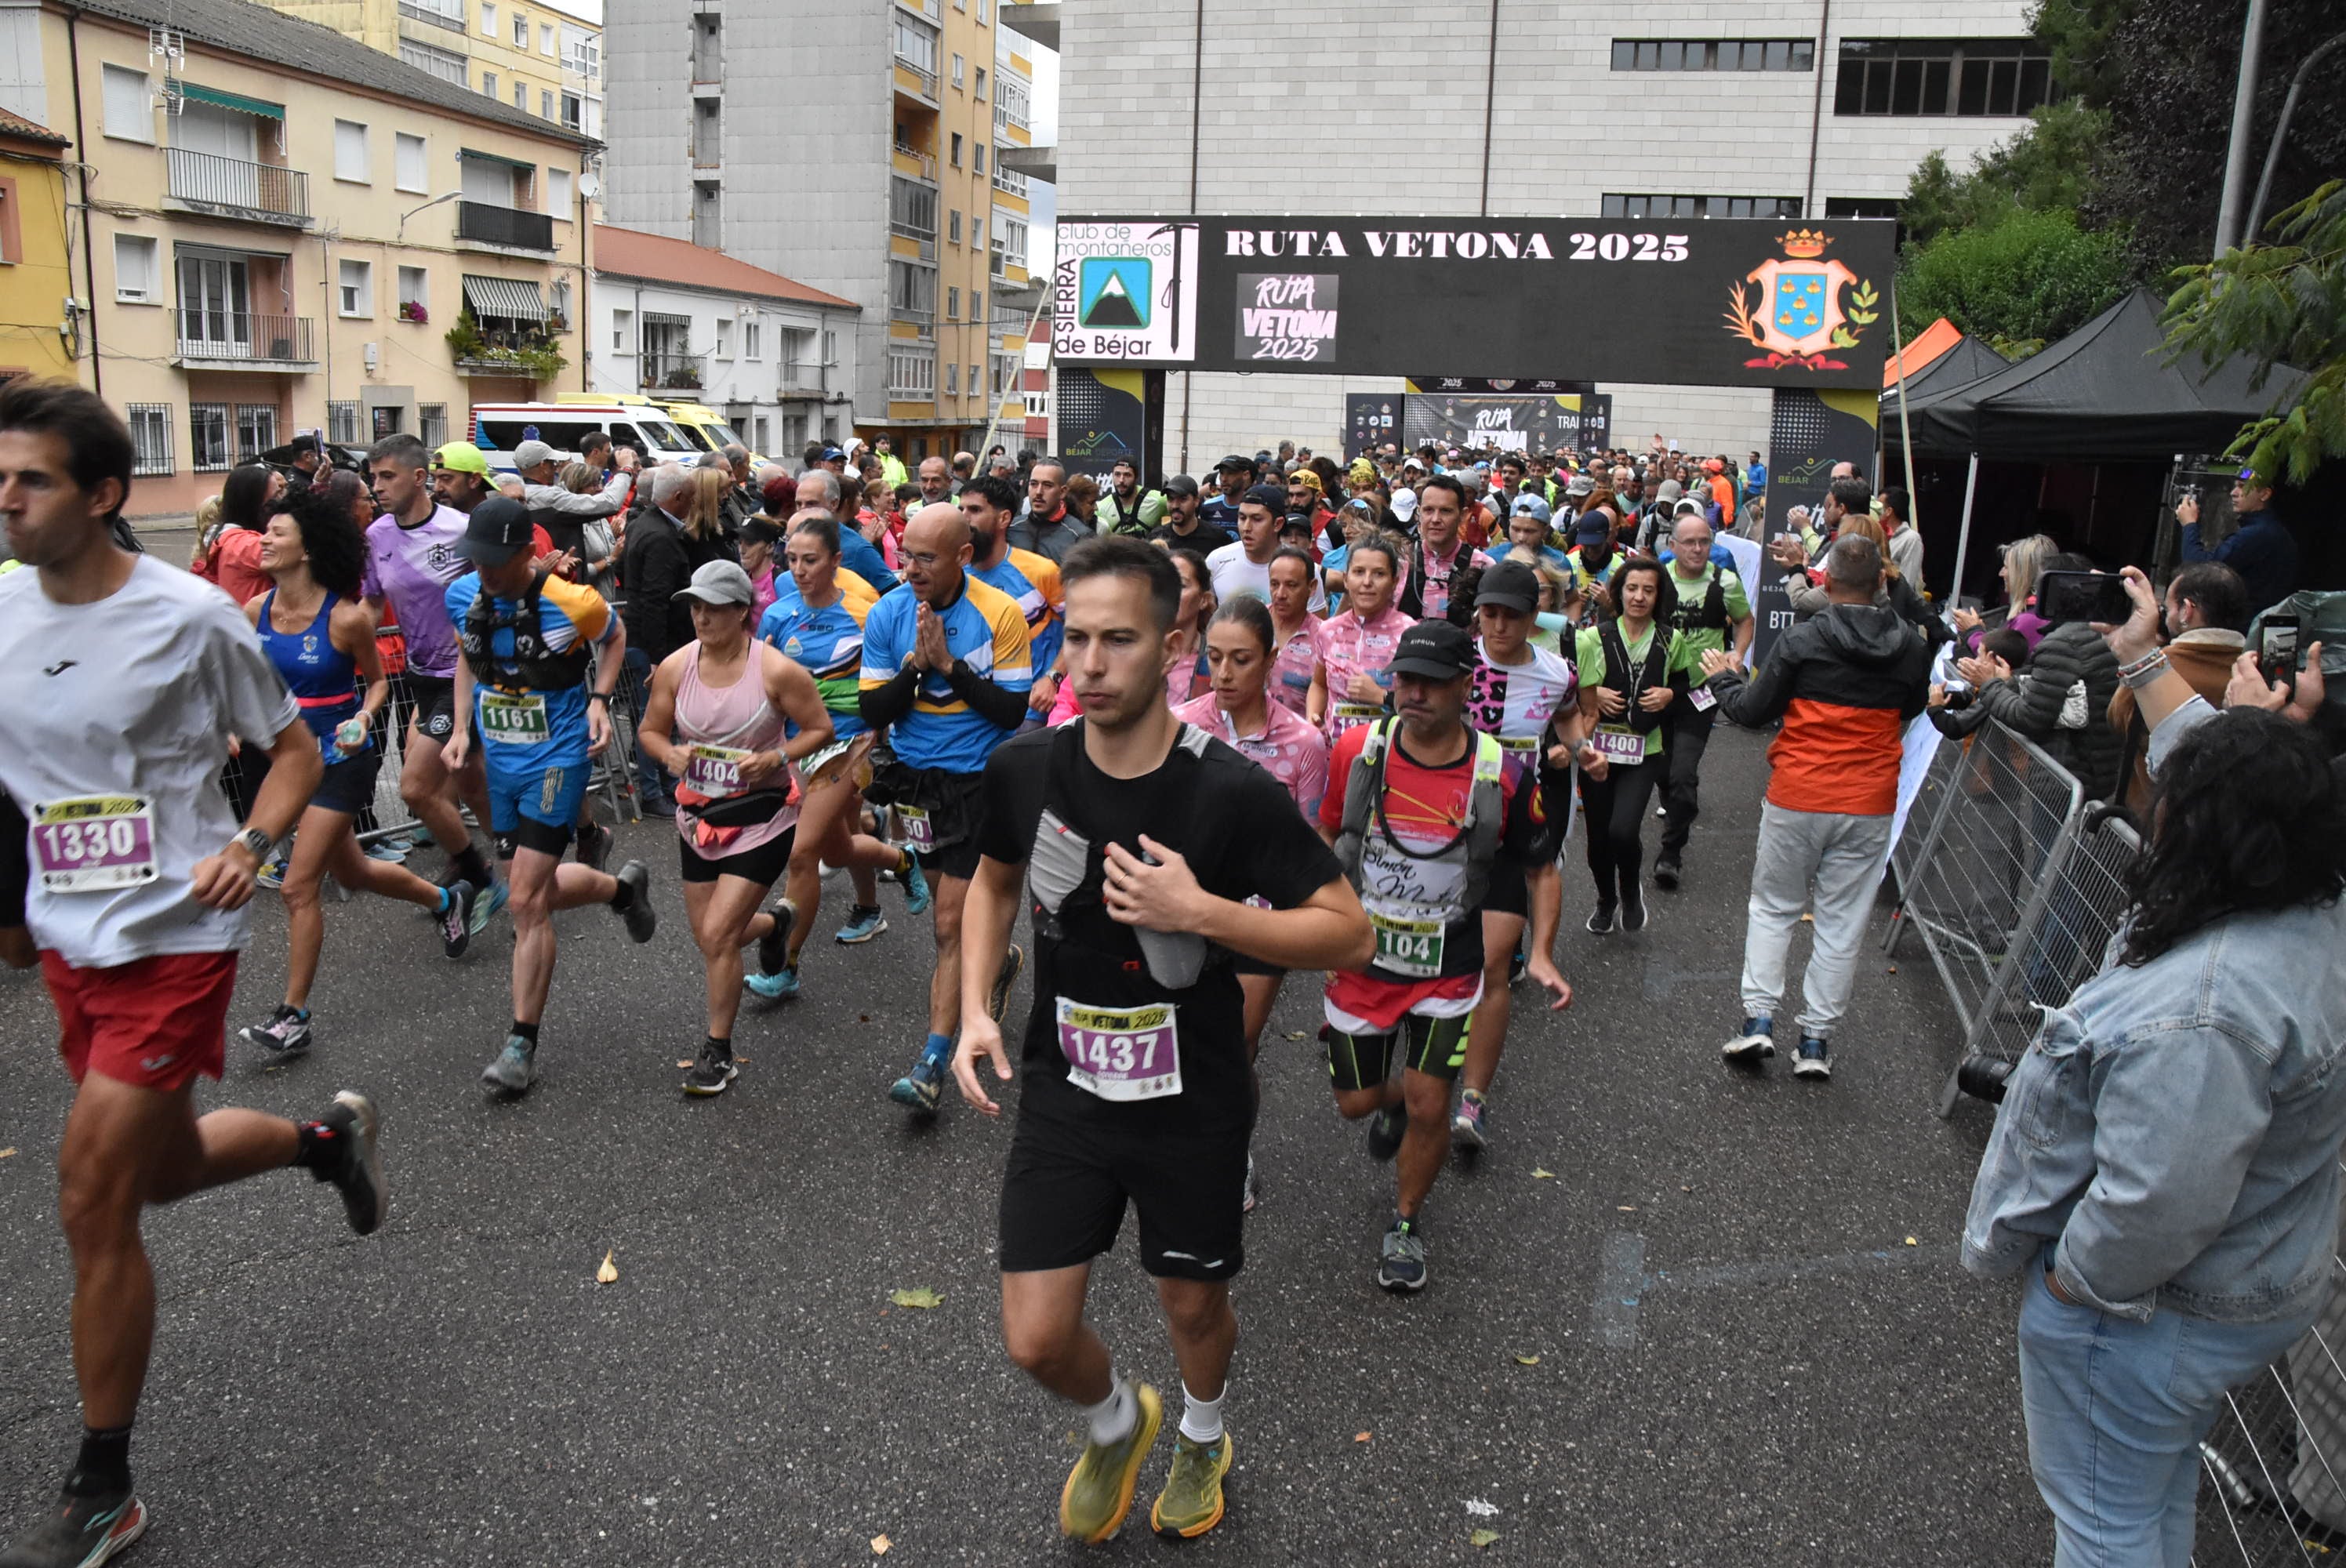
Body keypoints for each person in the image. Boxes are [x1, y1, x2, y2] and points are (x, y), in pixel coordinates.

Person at [0, 379, 385, 1568]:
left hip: (176, 934)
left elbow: (293, 752)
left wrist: (251, 846)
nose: (5, 497)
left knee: (91, 1192)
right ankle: (323, 1148)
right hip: (69, 936)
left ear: (104, 494)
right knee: (157, 1172)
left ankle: (102, 1485)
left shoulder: (190, 616)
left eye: (33, 479)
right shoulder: (2, 610)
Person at [950, 535, 1368, 1544]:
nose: (1088, 665)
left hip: (1192, 1095)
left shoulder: (1226, 790)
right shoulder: (1024, 766)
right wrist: (973, 1005)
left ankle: (1201, 1431)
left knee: (1190, 1306)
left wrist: (1204, 910)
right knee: (1035, 1337)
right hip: (1068, 1086)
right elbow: (994, 880)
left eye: (1119, 641)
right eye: (1076, 640)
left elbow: (1346, 927)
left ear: (1173, 641)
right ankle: (1115, 1420)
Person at [1963, 564, 2346, 1566]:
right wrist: (2141, 651)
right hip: (2238, 1289)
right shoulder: (2307, 909)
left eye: (2172, 792)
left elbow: (2156, 1200)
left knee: (2103, 1528)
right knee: (2140, 1503)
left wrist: (2073, 1287)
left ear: (2204, 827)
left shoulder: (2205, 1010)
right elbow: (2214, 759)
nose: (2155, 795)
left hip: (2140, 1313)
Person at [1317, 619, 1562, 1290]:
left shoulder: (1502, 775)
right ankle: (1388, 1099)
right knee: (1355, 1104)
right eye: (1405, 678)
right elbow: (1328, 831)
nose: (1413, 692)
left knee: (1432, 1104)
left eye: (1430, 681)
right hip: (1364, 962)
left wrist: (1539, 952)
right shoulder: (1358, 751)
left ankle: (1405, 1224)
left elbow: (1539, 870)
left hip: (1448, 968)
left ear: (1465, 685)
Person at [238, 486, 480, 1057]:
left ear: (309, 548)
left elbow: (376, 681)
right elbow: (248, 683)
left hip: (340, 758)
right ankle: (448, 901)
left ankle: (292, 1017)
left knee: (298, 886)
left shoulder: (345, 619)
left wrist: (365, 718)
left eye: (277, 533)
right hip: (281, 763)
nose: (264, 540)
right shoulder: (254, 613)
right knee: (352, 872)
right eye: (265, 531)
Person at [442, 496, 656, 1096]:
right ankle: (620, 888)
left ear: (525, 553)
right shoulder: (463, 598)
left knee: (527, 904)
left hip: (556, 759)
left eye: (493, 561)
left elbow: (613, 639)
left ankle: (520, 1045)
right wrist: (460, 729)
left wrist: (598, 700)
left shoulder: (573, 600)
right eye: (474, 560)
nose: (481, 571)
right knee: (524, 894)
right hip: (501, 763)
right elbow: (467, 656)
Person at [1702, 535, 1931, 1081]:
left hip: (1799, 794)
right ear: (1882, 582)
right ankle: (1815, 1041)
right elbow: (1916, 705)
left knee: (1774, 908)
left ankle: (1758, 1021)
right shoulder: (1911, 646)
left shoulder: (1803, 639)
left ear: (1826, 583)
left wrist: (1722, 680)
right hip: (1871, 800)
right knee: (1841, 923)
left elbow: (1753, 712)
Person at [860, 503, 1034, 1112]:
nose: (911, 568)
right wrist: (916, 666)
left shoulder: (1001, 612)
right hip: (914, 782)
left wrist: (950, 668)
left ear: (963, 556)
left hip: (979, 780)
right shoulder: (888, 611)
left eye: (926, 558)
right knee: (947, 914)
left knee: (946, 924)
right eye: (906, 553)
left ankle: (933, 1060)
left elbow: (1012, 712)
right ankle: (995, 962)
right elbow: (875, 711)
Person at [635, 561, 834, 1092]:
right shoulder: (677, 667)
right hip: (698, 820)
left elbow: (819, 728)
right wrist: (669, 754)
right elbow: (650, 731)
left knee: (720, 935)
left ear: (742, 611)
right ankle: (775, 925)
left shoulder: (775, 671)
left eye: (714, 608)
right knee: (710, 938)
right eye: (695, 607)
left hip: (762, 818)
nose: (701, 617)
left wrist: (776, 757)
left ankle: (717, 1050)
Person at [1451, 561, 1585, 1152]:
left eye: (1511, 615)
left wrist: (1583, 751)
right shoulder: (1454, 660)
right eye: (1490, 612)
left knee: (1493, 964)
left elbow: (1567, 720)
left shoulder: (1558, 673)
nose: (1498, 625)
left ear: (1535, 619)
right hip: (1442, 824)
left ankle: (1473, 1102)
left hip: (1512, 821)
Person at [361, 434, 506, 910]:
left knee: (417, 785)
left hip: (468, 674)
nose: (377, 486)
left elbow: (502, 589)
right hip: (420, 674)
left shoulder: (462, 529)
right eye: (374, 477)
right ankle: (515, 859)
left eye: (388, 476)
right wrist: (341, 646)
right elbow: (372, 603)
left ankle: (479, 874)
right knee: (466, 780)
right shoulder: (377, 536)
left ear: (420, 478)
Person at [759, 514, 913, 961]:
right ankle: (885, 882)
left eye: (810, 560)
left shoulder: (866, 613)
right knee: (841, 842)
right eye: (791, 560)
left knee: (803, 850)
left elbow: (887, 683)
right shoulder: (776, 613)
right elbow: (765, 686)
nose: (799, 570)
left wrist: (883, 737)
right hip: (798, 742)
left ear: (837, 561)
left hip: (852, 741)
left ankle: (784, 963)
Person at [1574, 557, 1684, 934]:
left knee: (1623, 830)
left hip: (1644, 750)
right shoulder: (1593, 637)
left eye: (1648, 590)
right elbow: (1572, 687)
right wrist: (1595, 692)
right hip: (1598, 749)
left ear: (1659, 596)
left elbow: (1687, 686)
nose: (1639, 597)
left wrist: (1670, 693)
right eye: (1632, 588)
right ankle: (1606, 899)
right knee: (1597, 839)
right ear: (1618, 592)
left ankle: (1630, 889)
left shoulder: (1671, 639)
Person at [1960, 554, 2124, 801]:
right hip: (2099, 770)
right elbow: (2053, 695)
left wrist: (1989, 685)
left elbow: (2030, 718)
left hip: (2063, 778)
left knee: (2045, 839)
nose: (2035, 596)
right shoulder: (2108, 634)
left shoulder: (2061, 643)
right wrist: (2009, 683)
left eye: (2040, 588)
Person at [1652, 513, 1755, 891]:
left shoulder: (1724, 581)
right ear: (1673, 546)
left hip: (1700, 692)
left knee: (1682, 775)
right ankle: (1676, 801)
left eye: (1704, 542)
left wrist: (1737, 654)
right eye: (1690, 542)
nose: (1697, 549)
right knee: (1663, 773)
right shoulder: (1659, 583)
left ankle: (1671, 855)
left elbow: (1745, 620)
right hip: (1659, 690)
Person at [2106, 562, 2250, 812]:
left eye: (2167, 608)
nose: (2164, 616)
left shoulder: (2158, 668)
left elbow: (2118, 718)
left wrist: (2140, 657)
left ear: (2186, 610)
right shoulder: (2253, 673)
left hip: (2153, 811)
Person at [618, 466, 700, 818]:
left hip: (650, 640)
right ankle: (654, 791)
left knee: (656, 717)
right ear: (679, 497)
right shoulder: (660, 536)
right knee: (654, 718)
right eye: (691, 497)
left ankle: (665, 785)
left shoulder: (644, 524)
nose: (694, 503)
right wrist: (657, 657)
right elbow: (655, 599)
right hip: (656, 644)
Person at [961, 471, 1066, 719]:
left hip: (1030, 711)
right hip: (971, 711)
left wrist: (1053, 678)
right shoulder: (953, 573)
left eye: (975, 510)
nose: (964, 519)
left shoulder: (1042, 571)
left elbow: (1081, 628)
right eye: (961, 509)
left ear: (1004, 518)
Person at [1308, 532, 1415, 744]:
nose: (1367, 582)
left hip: (1388, 752)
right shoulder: (1328, 630)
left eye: (1378, 574)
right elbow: (1319, 684)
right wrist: (1312, 716)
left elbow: (1421, 703)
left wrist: (1381, 696)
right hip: (1335, 753)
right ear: (1346, 580)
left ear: (1394, 581)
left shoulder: (1409, 633)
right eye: (1359, 572)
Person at [2177, 466, 2297, 615]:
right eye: (2235, 487)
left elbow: (2196, 569)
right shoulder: (2269, 530)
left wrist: (2189, 524)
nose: (2233, 493)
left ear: (2265, 494)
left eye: (2242, 487)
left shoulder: (2257, 534)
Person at [1207, 482, 1328, 615]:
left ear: (1278, 524)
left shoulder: (1303, 568)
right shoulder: (1217, 560)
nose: (1246, 527)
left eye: (1257, 519)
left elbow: (1317, 631)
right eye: (1242, 518)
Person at [513, 437, 631, 562]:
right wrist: (625, 470)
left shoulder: (514, 493)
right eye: (553, 463)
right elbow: (609, 503)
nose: (556, 468)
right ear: (543, 466)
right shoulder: (550, 497)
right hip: (564, 573)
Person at [1396, 476, 1491, 621]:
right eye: (1428, 510)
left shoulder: (1482, 566)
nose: (1435, 519)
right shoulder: (1400, 561)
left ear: (1462, 515)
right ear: (1419, 513)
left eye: (1446, 511)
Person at [188, 461, 277, 606]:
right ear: (253, 503)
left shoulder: (228, 537)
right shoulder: (246, 544)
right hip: (253, 624)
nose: (284, 502)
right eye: (275, 498)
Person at [1263, 546, 1320, 718]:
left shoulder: (1324, 637)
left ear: (1311, 588)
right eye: (1274, 584)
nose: (1280, 594)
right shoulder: (1251, 623)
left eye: (1291, 585)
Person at [1009, 458, 1087, 564]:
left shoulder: (1080, 536)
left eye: (1047, 485)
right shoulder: (1010, 529)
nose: (1039, 492)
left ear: (1063, 492)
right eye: (1034, 484)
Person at [1149, 474, 1233, 554]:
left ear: (1196, 501)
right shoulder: (1157, 538)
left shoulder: (1217, 538)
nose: (1175, 506)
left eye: (1183, 499)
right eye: (1170, 499)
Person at [1094, 457, 1163, 535]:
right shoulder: (1102, 508)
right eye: (1117, 474)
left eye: (1127, 475)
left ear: (1136, 478)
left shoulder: (1157, 501)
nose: (1121, 480)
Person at [429, 440, 496, 515]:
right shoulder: (432, 519)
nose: (437, 488)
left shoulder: (501, 521)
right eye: (434, 479)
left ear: (474, 480)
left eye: (446, 478)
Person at [1878, 487, 1923, 585]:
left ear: (1889, 511)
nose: (1875, 509)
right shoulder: (1878, 535)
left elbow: (1907, 581)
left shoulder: (1911, 539)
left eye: (1879, 506)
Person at [1200, 456, 1255, 529]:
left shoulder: (1255, 507)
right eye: (1222, 473)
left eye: (1230, 473)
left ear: (1245, 475)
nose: (1224, 479)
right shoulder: (1208, 506)